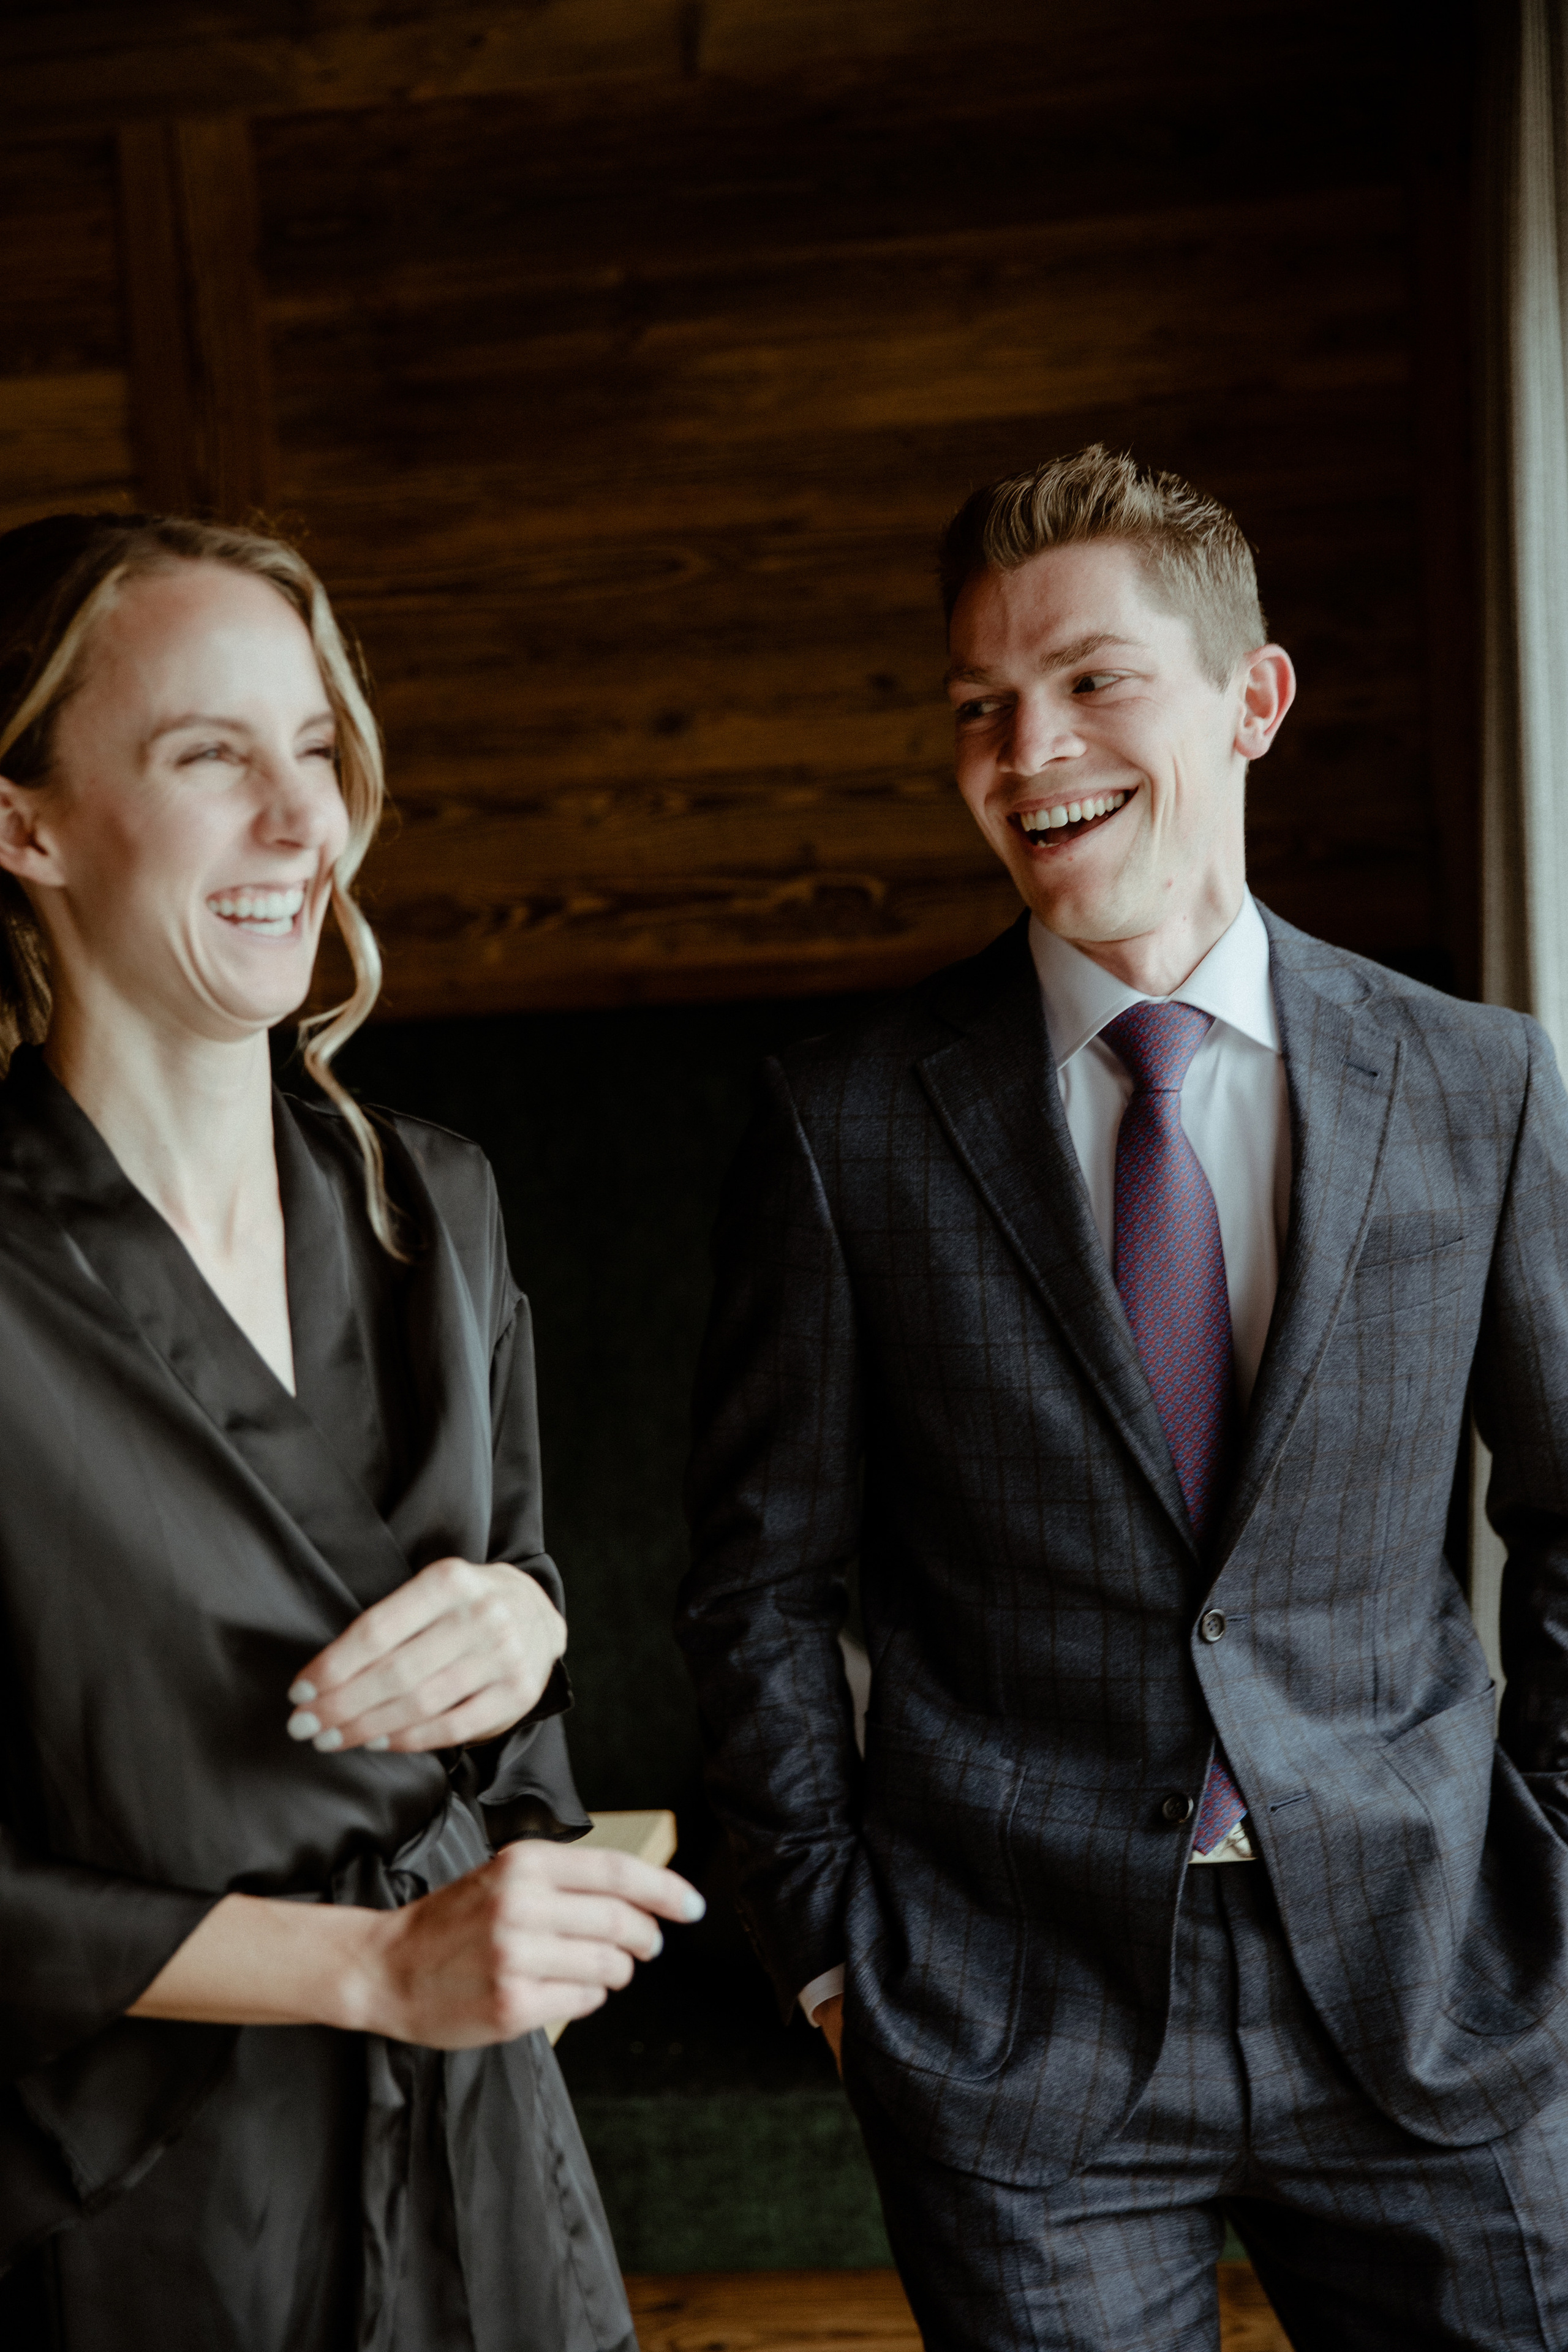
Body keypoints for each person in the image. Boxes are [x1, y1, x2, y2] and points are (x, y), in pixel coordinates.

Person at [677, 445, 1568, 2348]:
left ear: (1255, 701)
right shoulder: (843, 1126)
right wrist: (834, 1954)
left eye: (1093, 681)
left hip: (1437, 1993)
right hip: (1017, 2024)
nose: (1029, 748)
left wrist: (1553, 1878)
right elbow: (757, 1585)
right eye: (981, 706)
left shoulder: (1478, 1082)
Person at [0, 512, 703, 2352]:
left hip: (487, 2180)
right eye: (209, 757)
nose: (303, 824)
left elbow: (521, 1661)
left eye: (315, 751)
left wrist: (534, 1626)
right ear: (26, 825)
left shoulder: (434, 1208)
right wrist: (373, 1967)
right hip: (139, 2226)